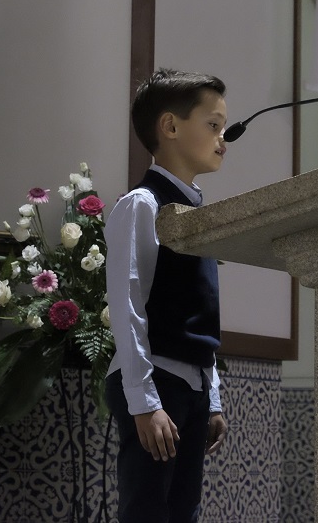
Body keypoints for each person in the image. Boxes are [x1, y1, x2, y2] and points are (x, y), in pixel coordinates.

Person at [104, 68, 230, 523]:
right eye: (213, 125)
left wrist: (211, 399)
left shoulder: (197, 212)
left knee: (184, 513)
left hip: (191, 385)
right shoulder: (142, 205)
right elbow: (128, 305)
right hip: (155, 380)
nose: (223, 138)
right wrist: (144, 401)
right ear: (171, 127)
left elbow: (199, 314)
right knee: (147, 512)